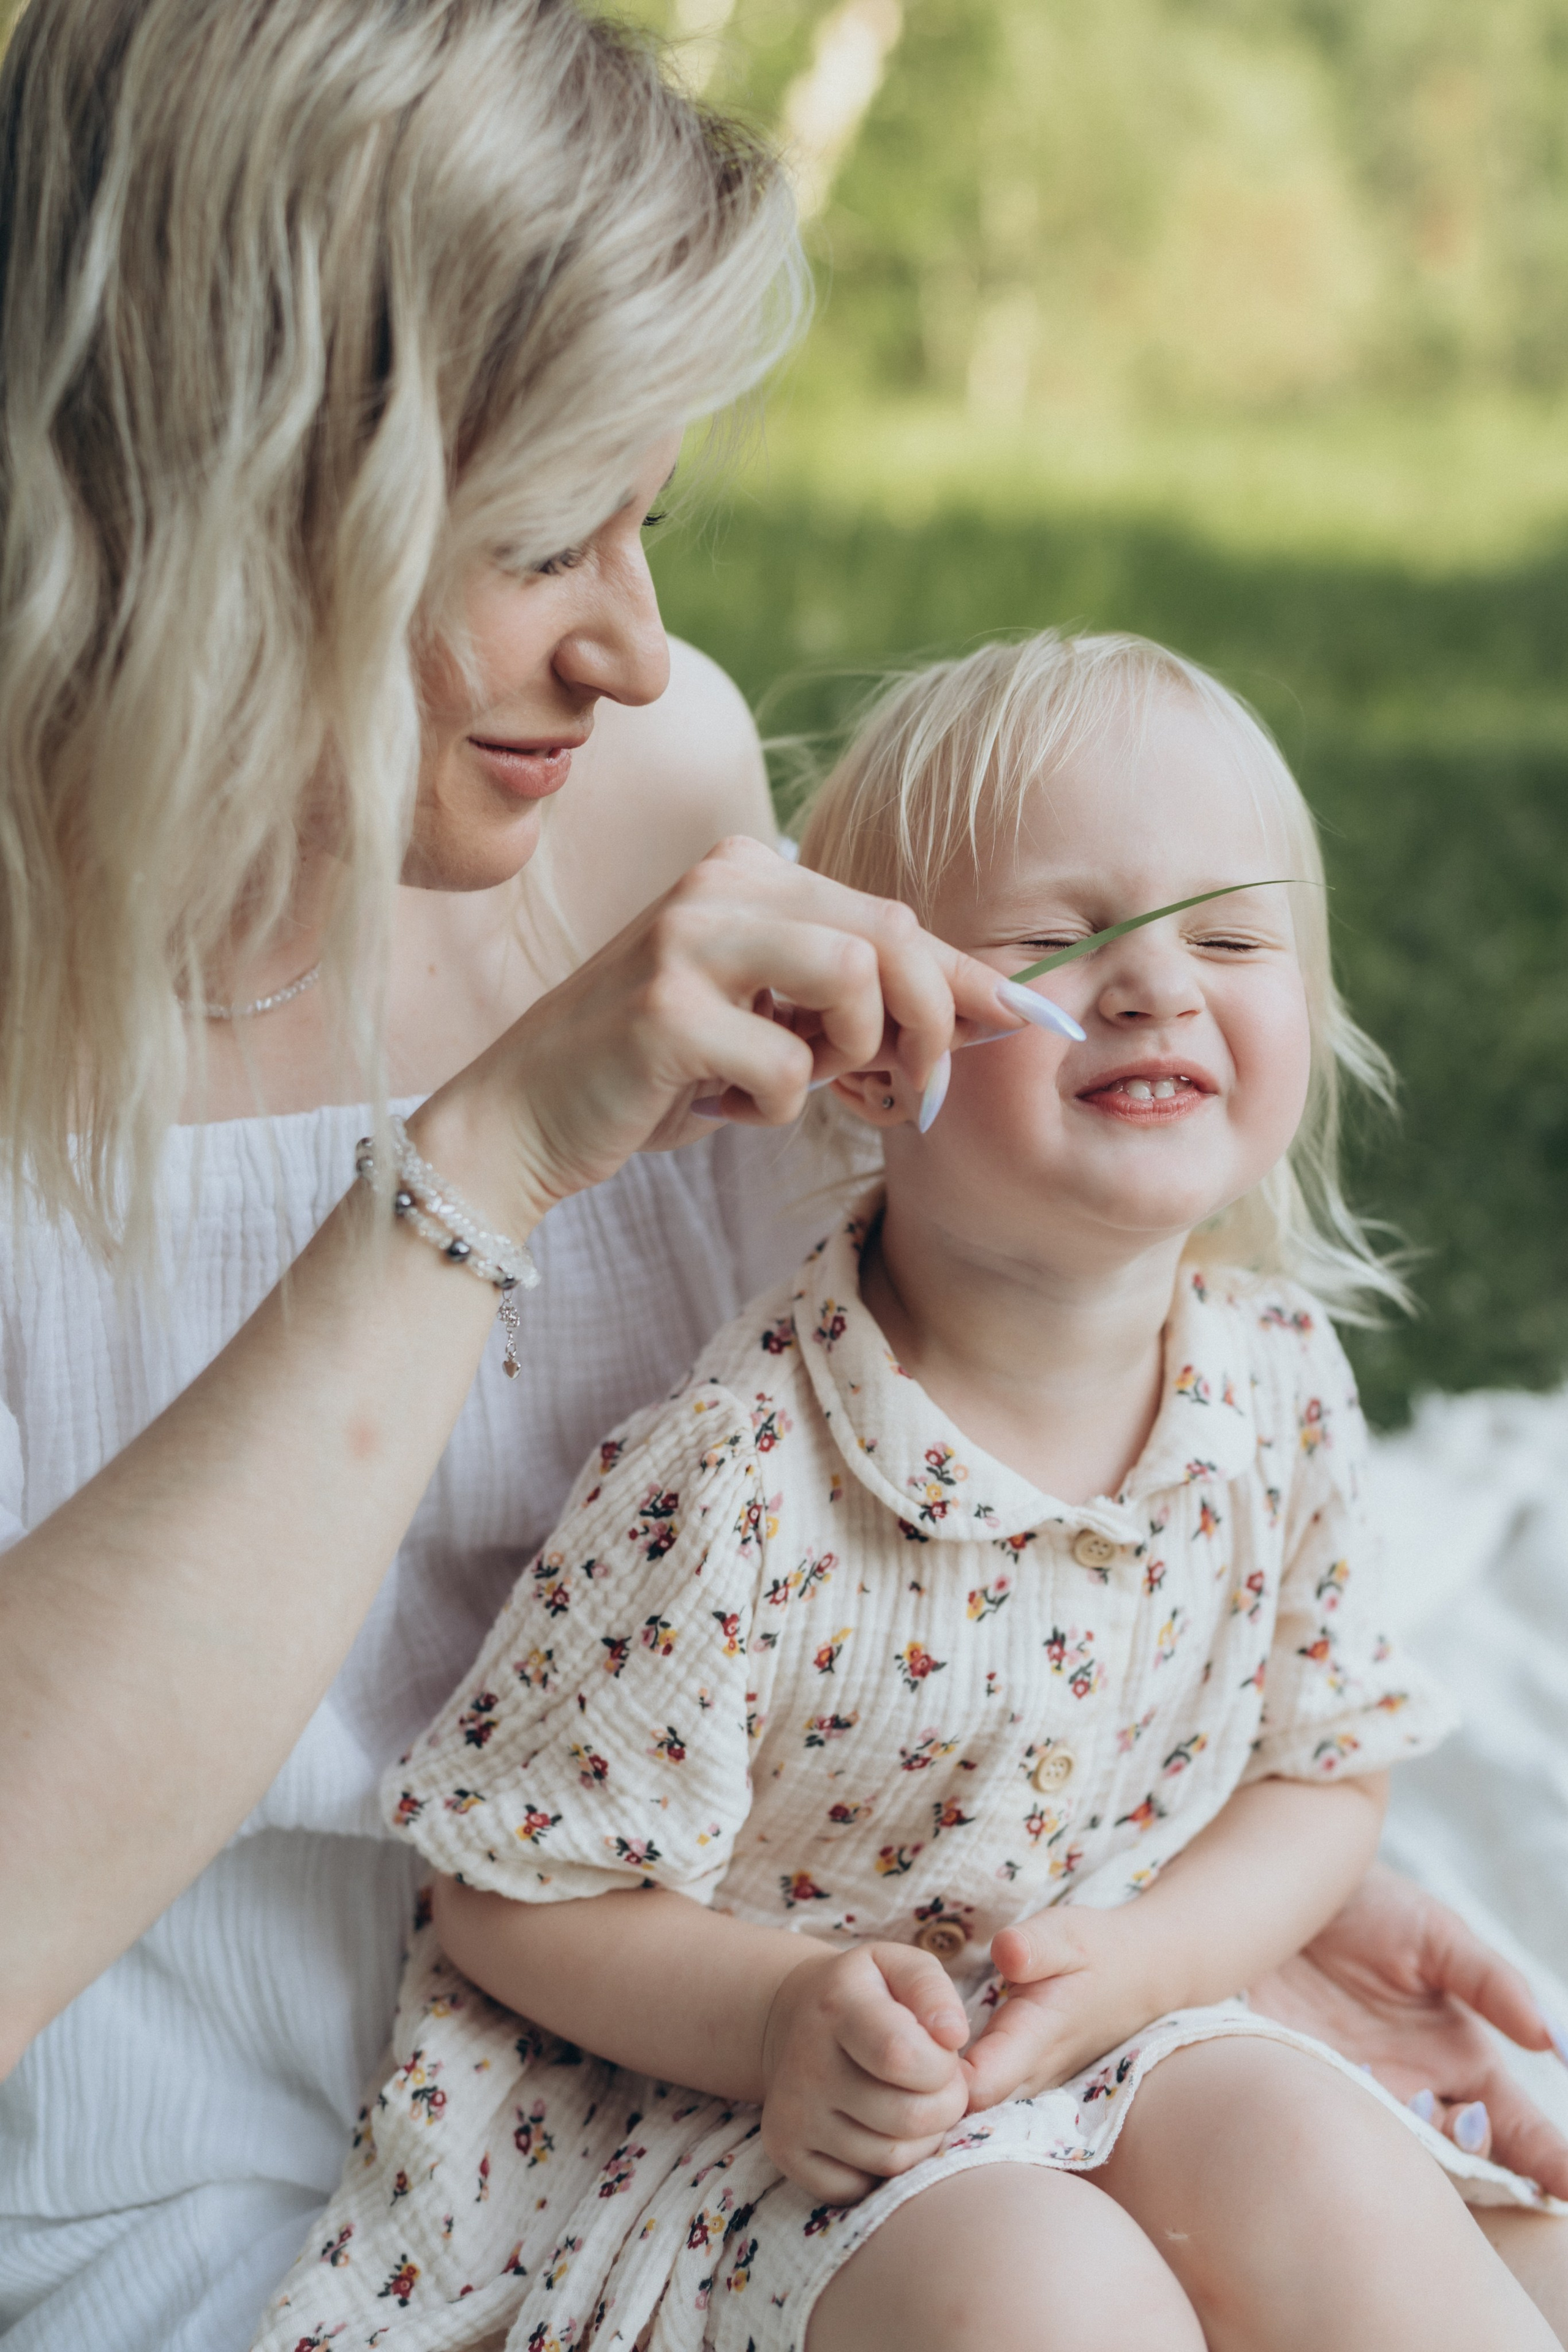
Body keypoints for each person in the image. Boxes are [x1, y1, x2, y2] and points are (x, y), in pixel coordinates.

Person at [0, 5, 1560, 2348]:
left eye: (655, 516)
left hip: (807, 2081)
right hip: (257, 2210)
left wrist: (1149, 1913)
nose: (636, 649)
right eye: (544, 536)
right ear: (230, 491)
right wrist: (490, 1158)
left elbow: (886, 1487)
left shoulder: (643, 775)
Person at [248, 631, 1562, 2352]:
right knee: (1052, 2294)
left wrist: (1157, 1961)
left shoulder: (1271, 1389)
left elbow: (1324, 1778)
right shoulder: (739, 1488)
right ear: (877, 1053)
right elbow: (511, 1891)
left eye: (1230, 938)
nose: (1158, 986)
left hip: (1135, 2039)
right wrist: (790, 2015)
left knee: (1328, 2166)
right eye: (1060, 942)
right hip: (778, 2135)